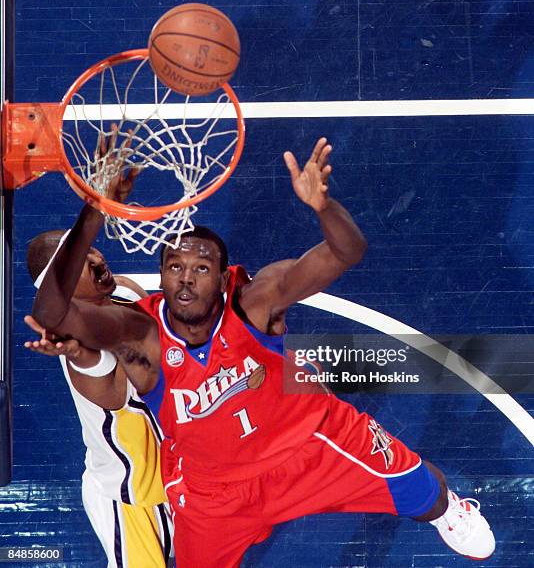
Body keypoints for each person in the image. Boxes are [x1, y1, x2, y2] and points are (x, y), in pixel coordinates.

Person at [31, 137, 495, 567]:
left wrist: (324, 206)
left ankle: (449, 512)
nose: (187, 278)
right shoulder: (140, 334)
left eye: (201, 267)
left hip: (310, 446)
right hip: (215, 494)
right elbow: (53, 308)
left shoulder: (256, 302)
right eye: (175, 266)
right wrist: (94, 209)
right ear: (163, 275)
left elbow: (346, 252)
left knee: (424, 492)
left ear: (224, 275)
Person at [25, 154, 174, 567]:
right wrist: (81, 355)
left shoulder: (125, 290)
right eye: (83, 264)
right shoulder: (75, 343)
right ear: (64, 286)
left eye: (93, 252)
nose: (97, 261)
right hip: (132, 496)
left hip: (177, 475)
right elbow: (99, 376)